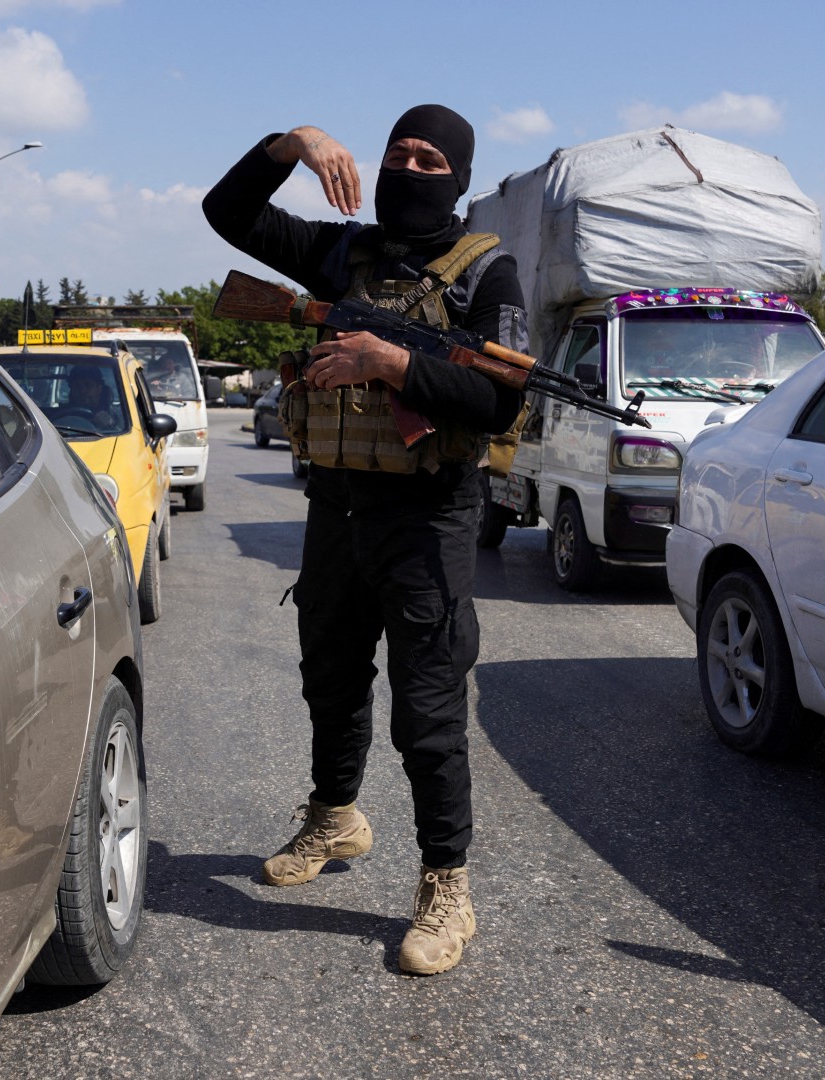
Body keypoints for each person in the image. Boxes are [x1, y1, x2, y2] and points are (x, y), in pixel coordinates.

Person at [203, 105, 527, 975]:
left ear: (457, 179)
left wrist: (392, 364)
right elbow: (226, 214)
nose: (409, 167)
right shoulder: (341, 252)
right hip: (337, 508)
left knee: (427, 709)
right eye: (397, 151)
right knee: (331, 679)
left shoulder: (486, 276)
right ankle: (334, 818)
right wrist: (288, 144)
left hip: (429, 516)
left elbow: (501, 403)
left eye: (429, 158)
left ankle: (446, 885)